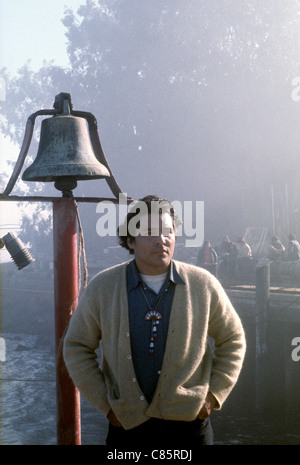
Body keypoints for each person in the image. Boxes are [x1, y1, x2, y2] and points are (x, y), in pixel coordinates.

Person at [63, 195, 246, 446]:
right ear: (130, 240)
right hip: (126, 426)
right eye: (149, 233)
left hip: (190, 427)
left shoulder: (203, 284)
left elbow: (233, 338)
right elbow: (76, 346)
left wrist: (213, 395)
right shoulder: (103, 288)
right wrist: (106, 404)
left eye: (167, 232)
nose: (161, 240)